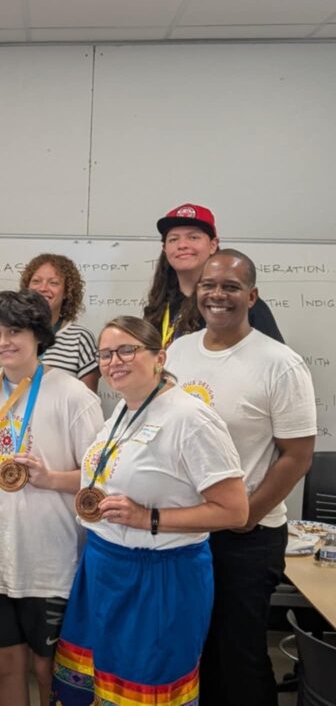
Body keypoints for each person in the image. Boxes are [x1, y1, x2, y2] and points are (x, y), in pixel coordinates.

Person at [51, 316, 248, 706]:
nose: (114, 361)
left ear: (159, 357)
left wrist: (150, 518)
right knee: (89, 689)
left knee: (145, 689)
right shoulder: (125, 410)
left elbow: (234, 511)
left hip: (160, 576)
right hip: (104, 569)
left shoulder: (189, 417)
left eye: (127, 350)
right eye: (106, 354)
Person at [166, 250, 316, 706]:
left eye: (231, 287)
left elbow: (298, 455)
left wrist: (248, 515)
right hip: (186, 531)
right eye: (209, 285)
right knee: (194, 650)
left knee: (240, 657)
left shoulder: (280, 363)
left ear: (251, 296)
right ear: (196, 291)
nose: (218, 294)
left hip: (247, 536)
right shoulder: (177, 351)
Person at [0, 291, 102, 706]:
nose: (3, 342)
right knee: (3, 668)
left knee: (49, 670)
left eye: (14, 331)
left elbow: (103, 482)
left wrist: (51, 478)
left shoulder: (73, 396)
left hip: (50, 557)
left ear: (39, 334)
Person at [143, 202, 283, 345]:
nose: (182, 245)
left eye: (193, 237)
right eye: (173, 239)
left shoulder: (238, 304)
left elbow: (273, 360)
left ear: (213, 245)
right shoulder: (160, 306)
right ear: (165, 249)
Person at [19, 253, 99, 392]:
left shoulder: (80, 338)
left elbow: (88, 401)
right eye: (36, 281)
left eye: (53, 283)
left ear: (67, 291)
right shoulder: (10, 334)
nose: (43, 288)